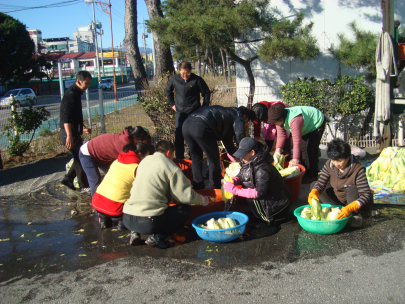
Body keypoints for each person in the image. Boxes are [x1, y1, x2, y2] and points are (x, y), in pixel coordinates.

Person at [122, 140, 211, 249]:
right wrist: (203, 200)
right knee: (184, 210)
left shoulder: (144, 161)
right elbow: (186, 196)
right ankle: (157, 238)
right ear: (169, 152)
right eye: (173, 155)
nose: (173, 158)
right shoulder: (170, 166)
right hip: (148, 222)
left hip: (127, 217)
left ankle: (134, 234)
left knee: (141, 204)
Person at [182, 105, 256, 190]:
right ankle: (215, 188)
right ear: (245, 116)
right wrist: (248, 153)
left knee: (196, 157)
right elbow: (240, 137)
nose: (245, 124)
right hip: (201, 125)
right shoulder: (239, 115)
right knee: (213, 158)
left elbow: (228, 142)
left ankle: (198, 187)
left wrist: (236, 157)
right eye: (247, 121)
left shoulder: (227, 116)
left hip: (186, 124)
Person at [224, 137, 291, 228]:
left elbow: (259, 192)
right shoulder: (249, 161)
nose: (241, 157)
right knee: (249, 192)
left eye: (243, 154)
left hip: (278, 203)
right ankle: (259, 215)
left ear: (252, 152)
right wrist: (234, 180)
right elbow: (243, 175)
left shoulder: (262, 168)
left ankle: (267, 220)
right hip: (270, 198)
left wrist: (236, 191)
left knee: (254, 198)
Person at [308, 139, 372, 228]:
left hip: (353, 201)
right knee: (314, 185)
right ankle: (336, 209)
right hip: (338, 199)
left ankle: (355, 215)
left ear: (348, 157)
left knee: (353, 188)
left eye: (340, 160)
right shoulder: (329, 164)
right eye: (334, 160)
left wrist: (350, 208)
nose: (336, 164)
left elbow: (366, 195)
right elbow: (321, 182)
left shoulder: (358, 169)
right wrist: (314, 192)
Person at [79, 126, 150, 198]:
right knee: (95, 180)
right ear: (134, 137)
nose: (141, 142)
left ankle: (110, 196)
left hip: (102, 155)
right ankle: (96, 205)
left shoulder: (127, 138)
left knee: (113, 175)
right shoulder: (123, 144)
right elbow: (130, 162)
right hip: (87, 153)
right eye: (141, 140)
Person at [92, 142, 150, 230]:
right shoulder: (136, 168)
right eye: (146, 156)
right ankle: (122, 223)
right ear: (140, 154)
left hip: (97, 201)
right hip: (115, 207)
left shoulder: (116, 161)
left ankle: (104, 220)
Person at [268, 104, 325, 184]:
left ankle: (312, 175)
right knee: (302, 150)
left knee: (310, 150)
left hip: (316, 123)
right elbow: (281, 136)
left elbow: (296, 142)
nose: (275, 124)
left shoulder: (295, 120)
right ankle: (303, 172)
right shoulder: (279, 120)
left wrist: (295, 159)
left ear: (281, 119)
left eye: (275, 122)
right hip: (305, 127)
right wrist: (278, 150)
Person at [166, 61, 210, 160]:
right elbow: (168, 91)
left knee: (194, 136)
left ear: (191, 70)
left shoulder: (197, 80)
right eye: (183, 73)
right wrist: (172, 104)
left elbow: (206, 93)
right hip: (180, 113)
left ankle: (194, 157)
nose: (185, 76)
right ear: (179, 71)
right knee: (179, 136)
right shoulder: (174, 80)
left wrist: (204, 107)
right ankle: (180, 158)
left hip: (194, 113)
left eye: (187, 73)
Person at [59, 70, 92, 194]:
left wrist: (83, 127)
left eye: (89, 83)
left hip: (74, 132)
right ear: (78, 81)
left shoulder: (76, 93)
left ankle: (68, 179)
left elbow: (75, 116)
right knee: (81, 158)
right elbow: (66, 116)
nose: (87, 86)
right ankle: (84, 186)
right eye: (86, 83)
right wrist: (69, 135)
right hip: (68, 133)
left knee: (79, 157)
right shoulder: (71, 94)